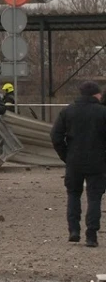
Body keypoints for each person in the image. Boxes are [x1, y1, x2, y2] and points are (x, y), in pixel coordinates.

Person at [51, 80, 106, 247]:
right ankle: (91, 235)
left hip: (74, 161)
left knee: (73, 195)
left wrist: (66, 156)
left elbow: (56, 136)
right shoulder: (103, 112)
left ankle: (74, 230)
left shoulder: (68, 111)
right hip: (98, 162)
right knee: (94, 197)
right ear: (97, 94)